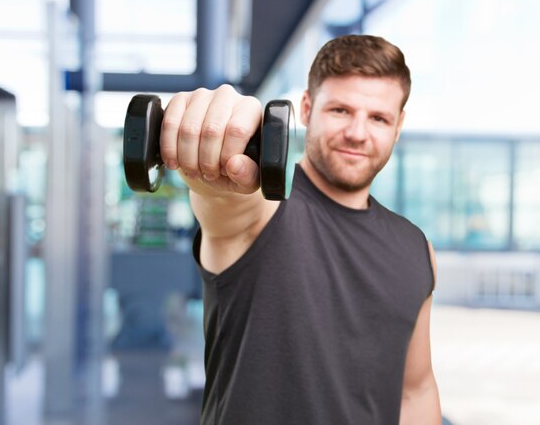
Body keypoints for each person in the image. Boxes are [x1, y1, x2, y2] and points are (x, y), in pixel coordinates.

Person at [160, 34, 441, 424]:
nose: (358, 133)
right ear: (306, 108)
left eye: (378, 118)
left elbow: (417, 388)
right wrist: (215, 174)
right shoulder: (266, 206)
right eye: (341, 110)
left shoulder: (415, 247)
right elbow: (227, 203)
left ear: (398, 126)